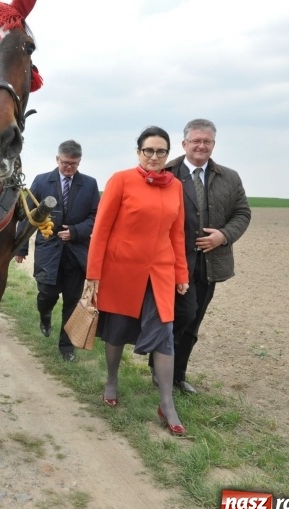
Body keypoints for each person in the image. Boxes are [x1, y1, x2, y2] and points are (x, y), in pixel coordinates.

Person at [85, 126, 189, 436]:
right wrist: (93, 274)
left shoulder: (176, 187)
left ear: (167, 155)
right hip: (122, 271)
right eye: (148, 151)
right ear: (138, 152)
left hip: (160, 273)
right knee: (116, 331)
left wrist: (181, 273)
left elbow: (177, 233)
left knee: (165, 334)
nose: (154, 157)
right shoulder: (121, 180)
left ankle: (167, 404)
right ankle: (112, 379)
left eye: (161, 152)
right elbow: (101, 229)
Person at [148, 119, 251, 394]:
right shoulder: (166, 173)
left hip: (210, 263)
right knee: (178, 316)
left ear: (213, 145)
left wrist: (224, 235)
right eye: (196, 141)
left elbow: (243, 213)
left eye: (207, 141)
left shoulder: (230, 177)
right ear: (184, 144)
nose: (201, 146)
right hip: (171, 262)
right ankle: (159, 368)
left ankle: (177, 375)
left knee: (194, 322)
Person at [15, 140, 100, 362]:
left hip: (76, 255)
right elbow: (28, 215)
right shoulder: (42, 181)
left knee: (72, 302)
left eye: (73, 164)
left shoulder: (90, 185)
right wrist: (21, 247)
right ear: (57, 159)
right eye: (65, 163)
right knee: (47, 294)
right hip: (48, 252)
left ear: (79, 162)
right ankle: (44, 315)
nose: (69, 167)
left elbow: (96, 217)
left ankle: (66, 346)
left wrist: (75, 231)